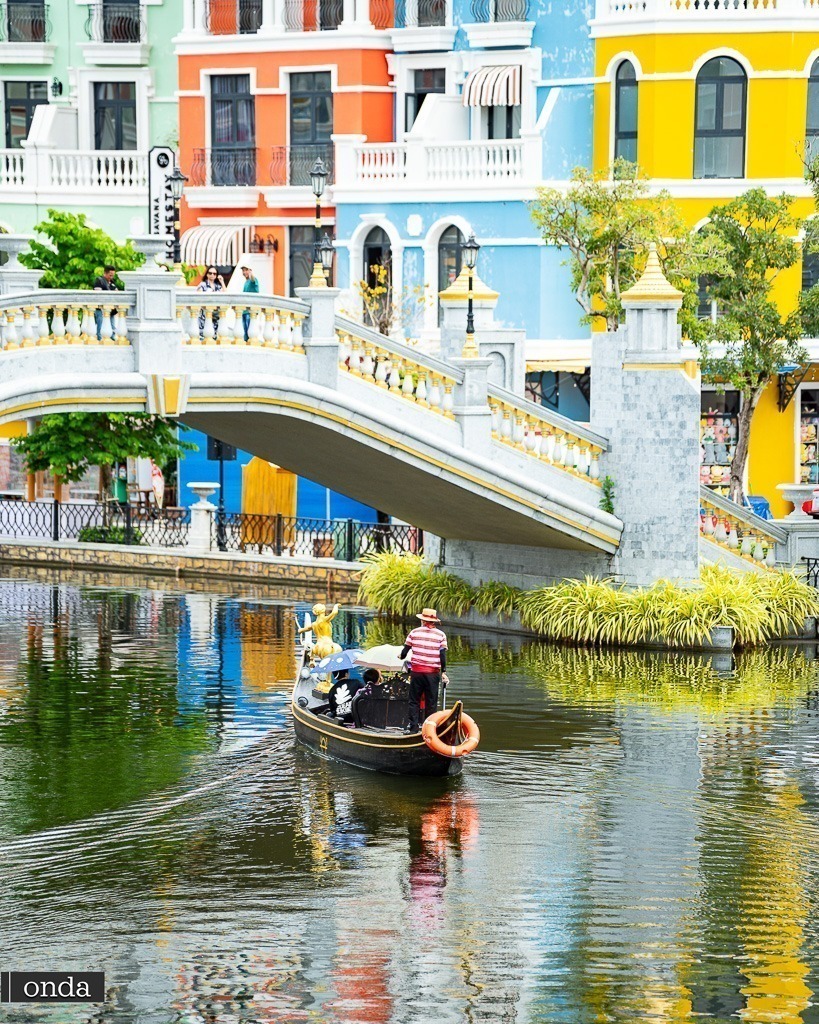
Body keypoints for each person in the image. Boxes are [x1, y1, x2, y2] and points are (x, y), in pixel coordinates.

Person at [400, 607, 449, 734]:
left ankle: (413, 728)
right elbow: (442, 655)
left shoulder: (414, 632)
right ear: (434, 621)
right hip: (432, 673)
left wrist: (400, 656)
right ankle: (429, 729)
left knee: (414, 700)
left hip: (416, 672)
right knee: (431, 702)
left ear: (422, 620)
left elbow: (404, 653)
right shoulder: (441, 635)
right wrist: (443, 671)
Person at [196, 266, 225, 340]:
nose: (212, 275)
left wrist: (222, 281)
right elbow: (198, 297)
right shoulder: (203, 284)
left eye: (214, 273)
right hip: (204, 312)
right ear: (207, 274)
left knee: (214, 334)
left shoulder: (218, 286)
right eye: (210, 273)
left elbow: (225, 294)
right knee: (203, 334)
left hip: (215, 313)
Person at [93, 264, 117, 340]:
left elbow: (117, 292)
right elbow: (98, 296)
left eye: (113, 275)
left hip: (111, 310)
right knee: (100, 328)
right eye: (110, 275)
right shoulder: (99, 281)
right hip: (101, 310)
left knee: (113, 328)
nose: (111, 277)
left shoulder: (112, 282)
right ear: (105, 273)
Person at [240, 264, 259, 342]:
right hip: (244, 311)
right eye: (243, 270)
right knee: (245, 332)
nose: (244, 272)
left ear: (250, 270)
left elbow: (253, 280)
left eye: (246, 270)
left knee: (250, 332)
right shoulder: (246, 282)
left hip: (250, 311)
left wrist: (251, 274)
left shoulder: (253, 280)